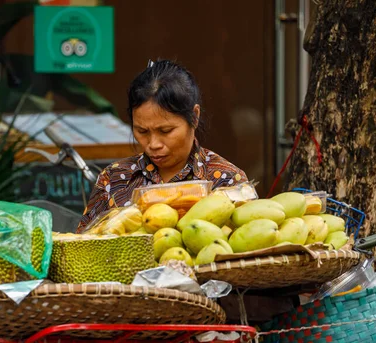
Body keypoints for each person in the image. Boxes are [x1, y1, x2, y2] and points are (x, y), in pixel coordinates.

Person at [77, 59, 248, 232]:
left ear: (194, 117)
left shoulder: (228, 181)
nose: (154, 144)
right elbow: (85, 244)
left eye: (165, 131)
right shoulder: (113, 179)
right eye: (142, 131)